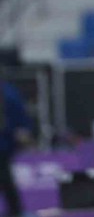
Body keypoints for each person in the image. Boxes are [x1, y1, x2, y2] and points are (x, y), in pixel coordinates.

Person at [0, 80, 32, 217]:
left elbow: (20, 118)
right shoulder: (9, 92)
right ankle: (16, 210)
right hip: (6, 143)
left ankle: (16, 210)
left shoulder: (8, 93)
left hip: (4, 143)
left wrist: (22, 134)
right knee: (5, 178)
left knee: (5, 178)